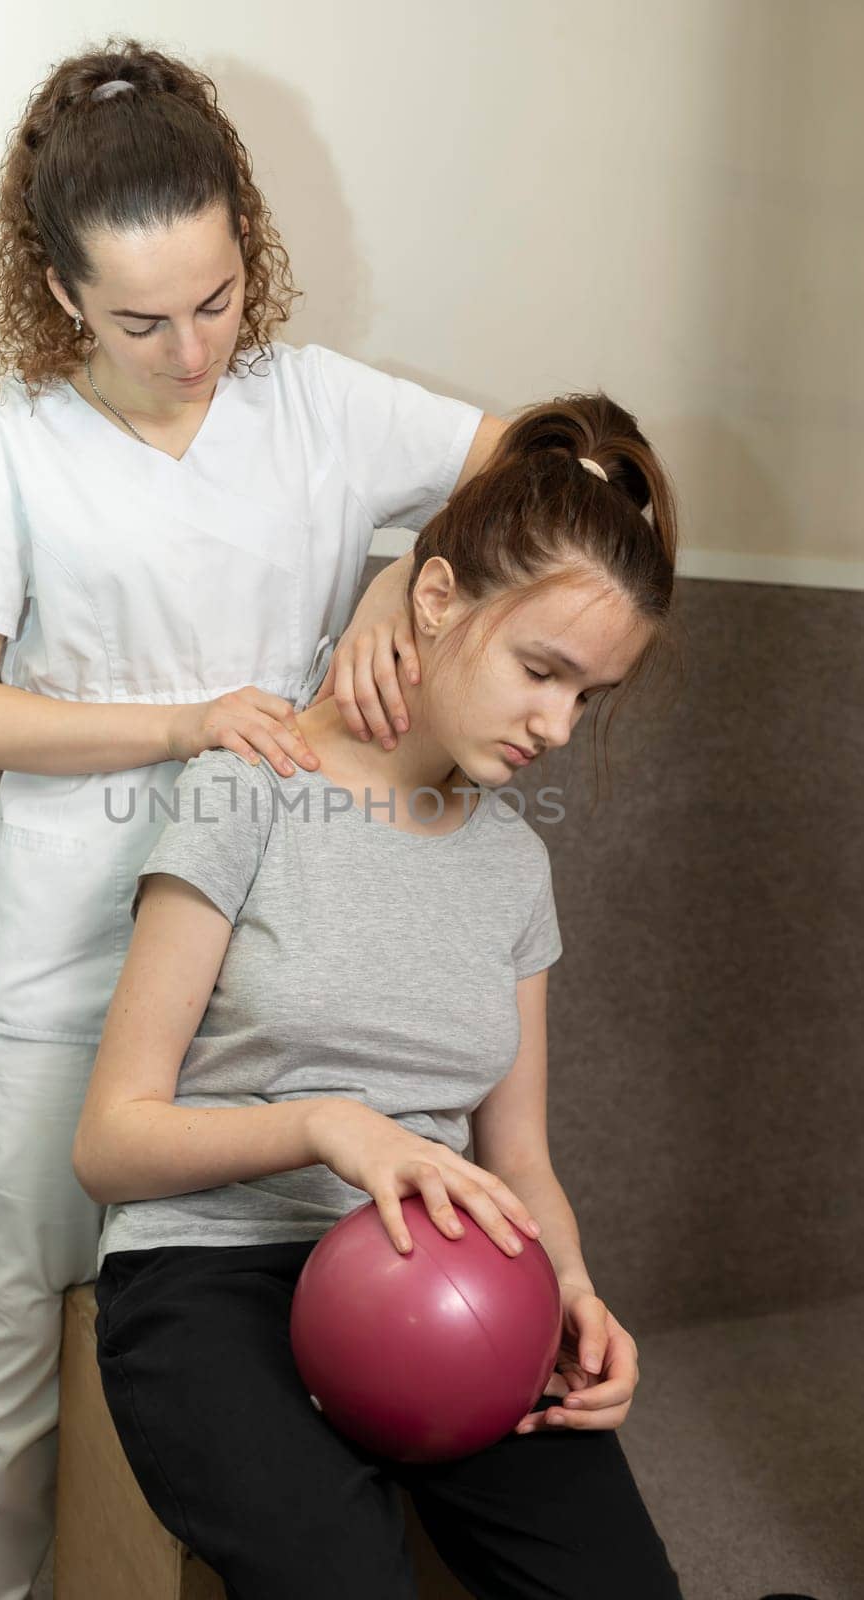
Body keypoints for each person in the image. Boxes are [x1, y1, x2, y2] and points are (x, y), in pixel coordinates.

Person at [0, 36, 513, 1600]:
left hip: (256, 979)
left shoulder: (314, 407)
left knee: (242, 1340)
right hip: (58, 975)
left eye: (218, 299)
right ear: (57, 288)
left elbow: (520, 456)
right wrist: (186, 718)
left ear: (250, 247)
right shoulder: (0, 444)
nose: (190, 349)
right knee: (11, 1351)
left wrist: (390, 569)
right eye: (140, 318)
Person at [74, 392, 689, 1599]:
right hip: (210, 1272)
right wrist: (326, 1125)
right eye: (540, 670)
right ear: (436, 596)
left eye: (588, 696)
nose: (557, 725)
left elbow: (521, 1165)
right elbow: (109, 1141)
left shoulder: (515, 862)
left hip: (452, 1279)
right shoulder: (243, 786)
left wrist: (566, 1291)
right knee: (343, 1576)